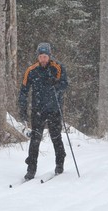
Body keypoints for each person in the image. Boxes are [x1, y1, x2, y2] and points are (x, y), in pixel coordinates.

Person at [18, 42, 68, 180]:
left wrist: (56, 84)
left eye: (45, 56)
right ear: (38, 57)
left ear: (49, 56)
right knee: (35, 140)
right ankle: (31, 169)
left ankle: (59, 163)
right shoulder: (31, 70)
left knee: (56, 137)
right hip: (38, 110)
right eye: (41, 56)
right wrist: (22, 107)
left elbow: (65, 84)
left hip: (54, 109)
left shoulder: (57, 67)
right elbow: (23, 91)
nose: (43, 59)